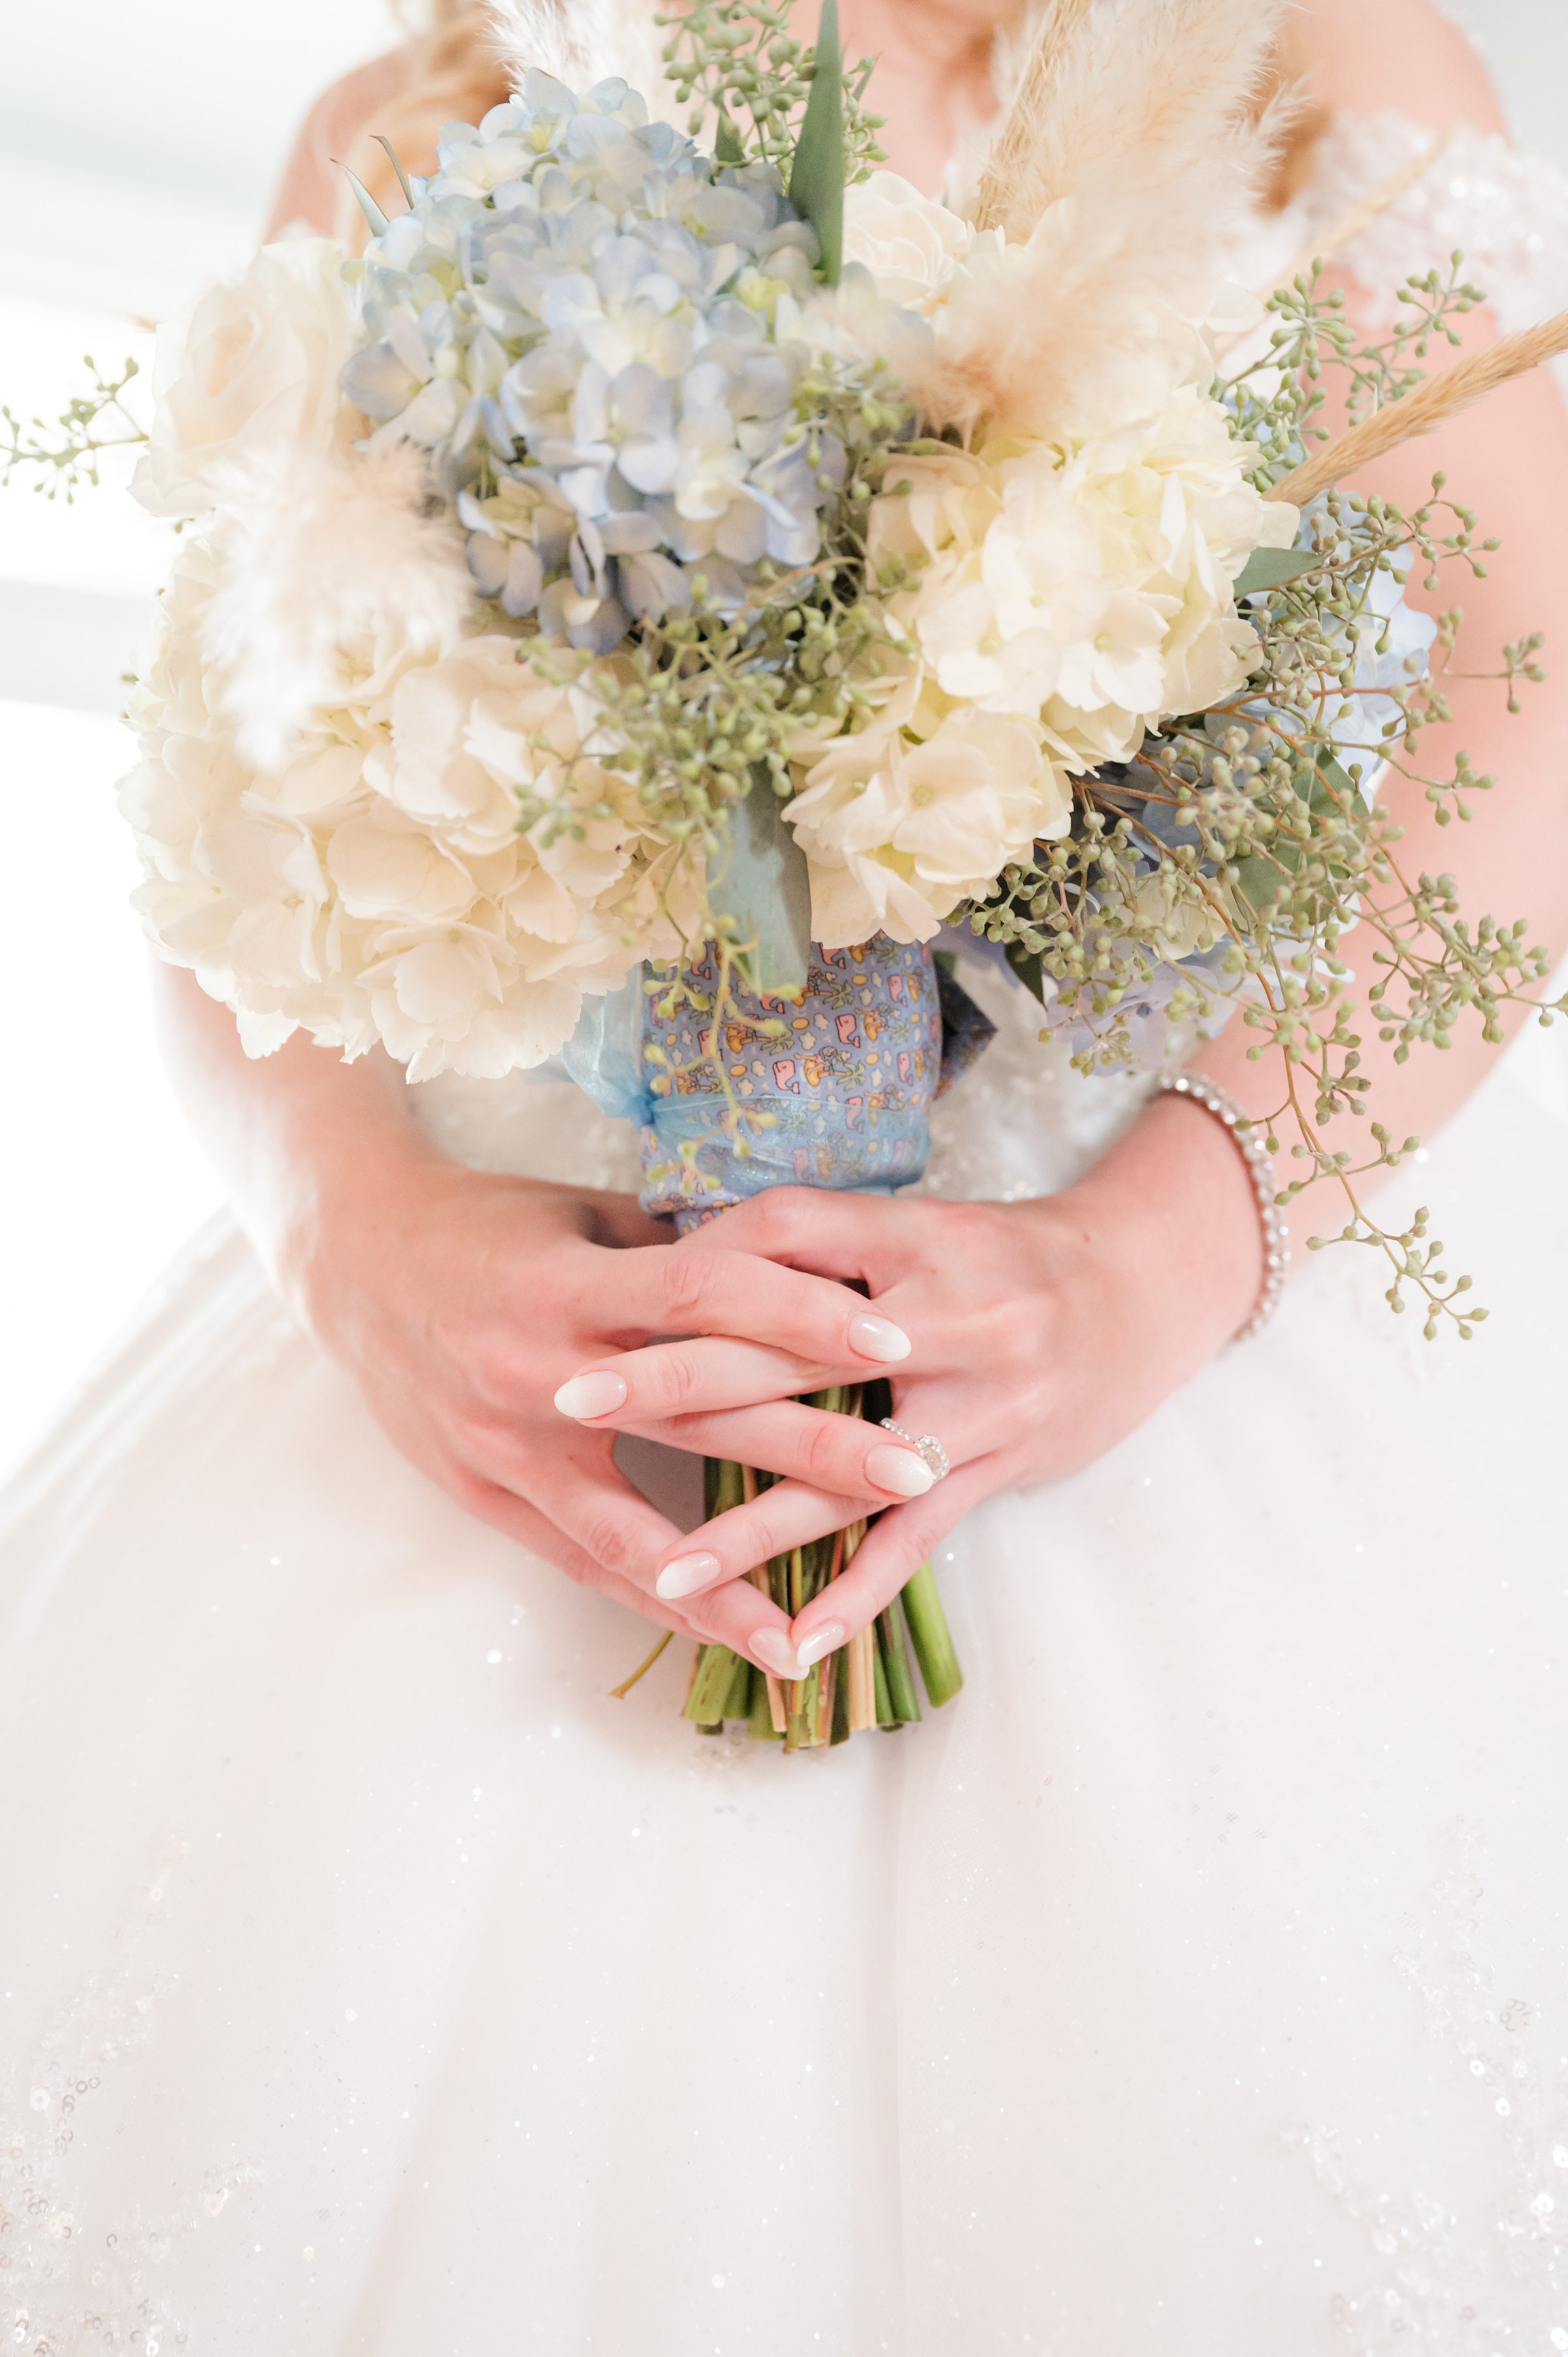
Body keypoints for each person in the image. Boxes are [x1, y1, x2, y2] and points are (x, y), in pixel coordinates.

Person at [5, 2, 1568, 2346]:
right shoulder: (428, 119)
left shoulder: (1323, 60)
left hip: (1157, 1255)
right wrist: (353, 1230)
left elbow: (1518, 713)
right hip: (520, 1305)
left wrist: (1161, 1261)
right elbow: (221, 816)